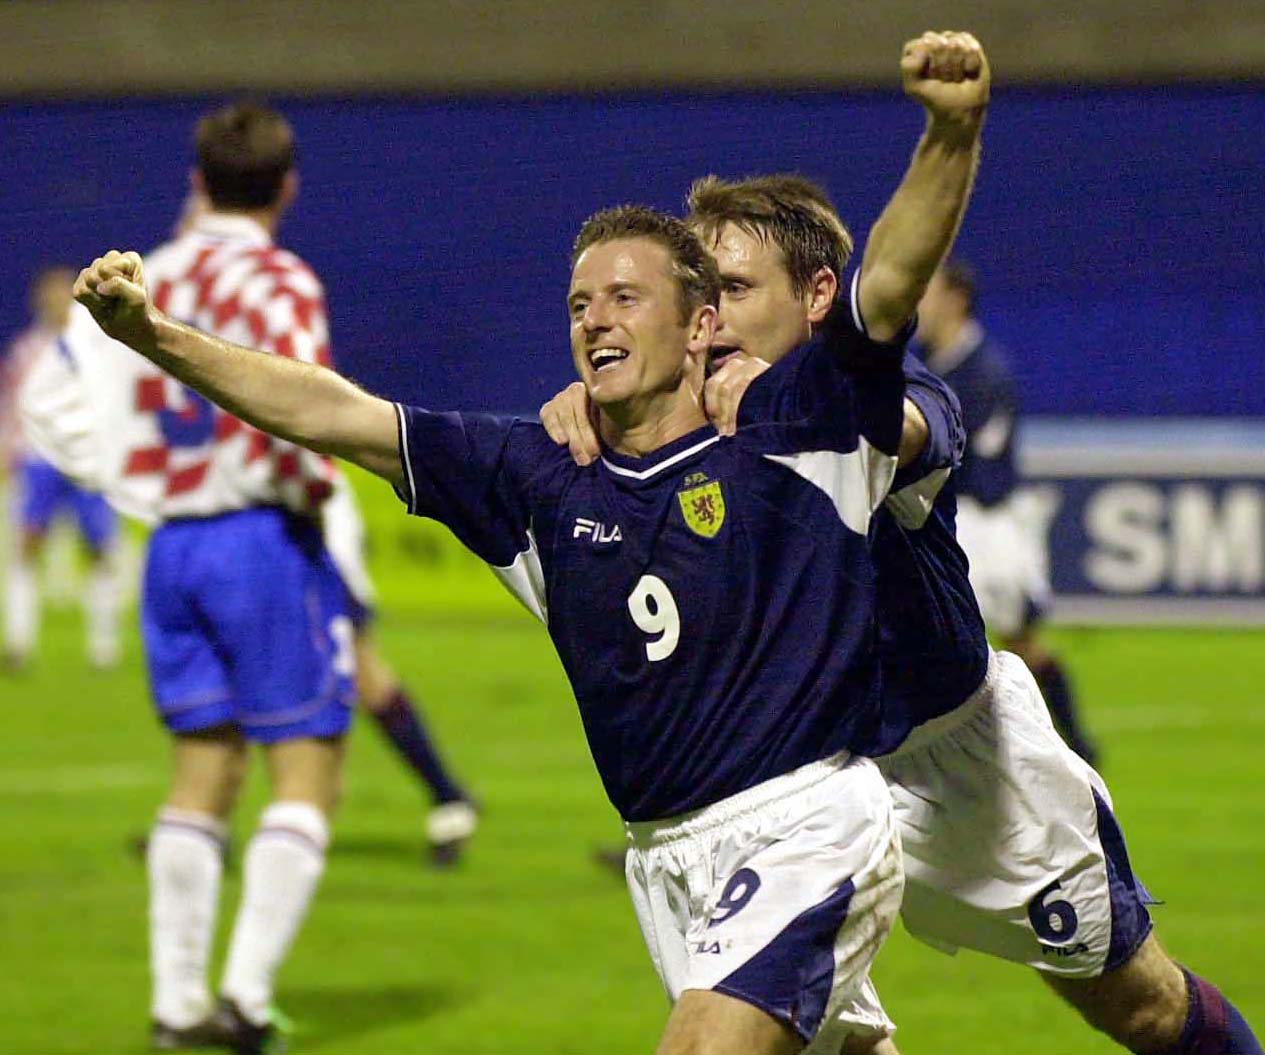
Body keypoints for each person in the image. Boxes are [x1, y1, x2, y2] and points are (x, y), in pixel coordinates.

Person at [72, 188, 936, 1052]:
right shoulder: (535, 476)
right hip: (665, 857)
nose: (595, 319)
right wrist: (154, 337)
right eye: (578, 304)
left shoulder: (792, 439)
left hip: (806, 824)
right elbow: (332, 411)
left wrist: (951, 125)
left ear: (701, 323)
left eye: (625, 298)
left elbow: (886, 291)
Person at [539, 144, 1261, 1055]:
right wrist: (583, 406)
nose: (712, 318)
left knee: (1141, 1006)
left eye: (736, 287)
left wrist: (809, 420)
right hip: (798, 792)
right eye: (702, 293)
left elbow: (914, 426)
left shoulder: (871, 394)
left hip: (963, 766)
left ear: (814, 296)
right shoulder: (678, 409)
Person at [58, 103, 358, 1055]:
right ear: (288, 186)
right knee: (306, 770)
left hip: (171, 547)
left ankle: (175, 1004)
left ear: (196, 181)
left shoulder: (153, 271)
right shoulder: (278, 278)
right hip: (259, 537)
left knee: (201, 775)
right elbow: (303, 409)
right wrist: (322, 510)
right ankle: (242, 996)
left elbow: (87, 405)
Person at [915, 259, 1101, 764]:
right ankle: (1062, 746)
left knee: (1009, 646)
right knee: (993, 644)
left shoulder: (983, 373)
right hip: (949, 519)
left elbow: (986, 473)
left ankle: (1064, 745)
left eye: (927, 291)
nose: (917, 303)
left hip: (982, 522)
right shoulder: (929, 365)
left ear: (955, 298)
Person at [320, 470, 479, 864]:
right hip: (269, 531)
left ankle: (448, 795)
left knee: (359, 671)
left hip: (310, 530)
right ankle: (207, 824)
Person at [1, 266, 121, 670]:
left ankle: (104, 647)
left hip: (86, 462)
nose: (56, 304)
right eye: (49, 297)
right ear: (39, 303)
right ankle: (19, 643)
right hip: (40, 462)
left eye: (61, 296)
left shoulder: (96, 347)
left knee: (100, 549)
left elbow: (112, 403)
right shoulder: (27, 350)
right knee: (27, 548)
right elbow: (12, 409)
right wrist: (7, 454)